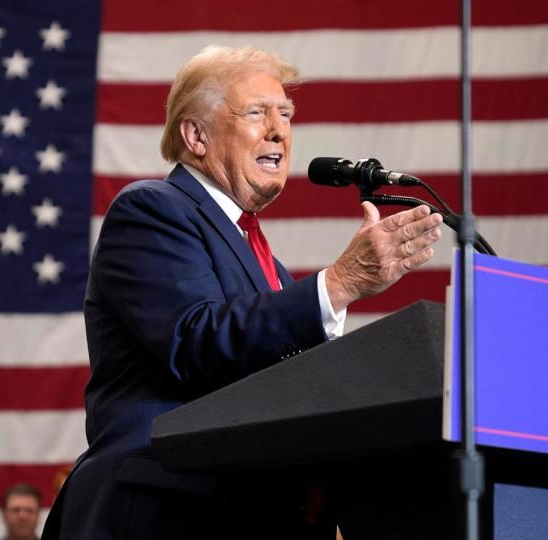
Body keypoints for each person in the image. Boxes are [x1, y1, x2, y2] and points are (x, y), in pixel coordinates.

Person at [43, 45, 442, 540]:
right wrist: (339, 284)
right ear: (195, 136)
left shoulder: (266, 263)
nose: (280, 130)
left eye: (286, 114)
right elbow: (196, 341)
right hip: (166, 506)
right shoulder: (151, 210)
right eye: (256, 112)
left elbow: (287, 388)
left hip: (248, 510)